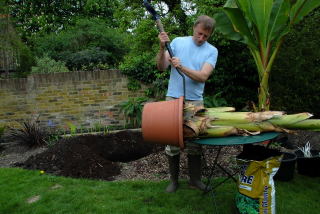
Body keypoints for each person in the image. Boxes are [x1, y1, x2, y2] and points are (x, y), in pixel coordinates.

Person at [156, 15, 218, 193]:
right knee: (172, 142)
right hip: (173, 100)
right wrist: (162, 48)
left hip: (195, 102)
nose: (201, 38)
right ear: (194, 28)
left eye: (205, 36)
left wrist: (181, 67)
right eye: (199, 34)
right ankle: (174, 182)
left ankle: (195, 180)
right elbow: (161, 67)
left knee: (195, 144)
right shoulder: (177, 42)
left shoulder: (212, 51)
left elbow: (203, 76)